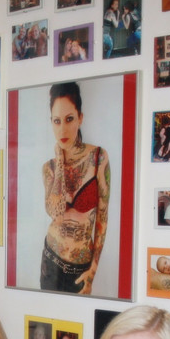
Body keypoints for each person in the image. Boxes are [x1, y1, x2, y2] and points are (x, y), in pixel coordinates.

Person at [41, 82, 110, 295]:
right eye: (57, 121)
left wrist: (93, 271)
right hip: (50, 263)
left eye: (69, 119)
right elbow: (56, 212)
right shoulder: (49, 168)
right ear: (51, 123)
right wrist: (60, 160)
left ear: (80, 118)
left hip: (81, 269)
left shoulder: (98, 158)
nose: (63, 129)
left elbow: (102, 218)